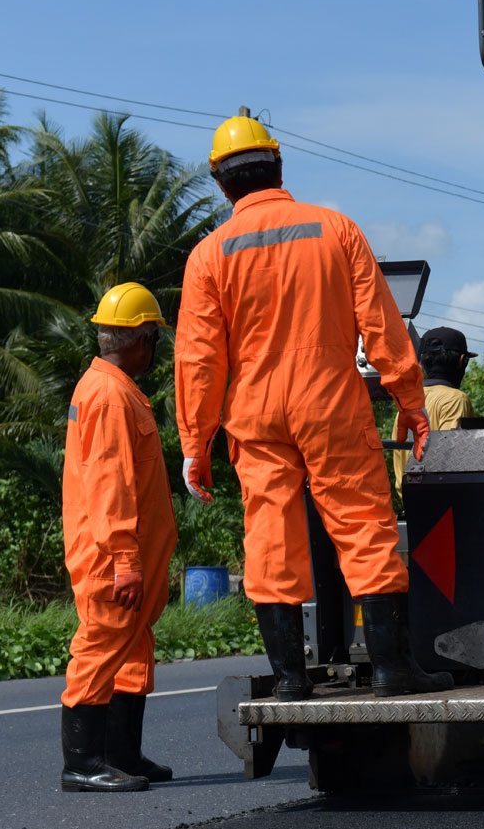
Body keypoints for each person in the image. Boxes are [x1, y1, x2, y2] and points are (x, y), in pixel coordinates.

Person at [175, 113, 452, 700]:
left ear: (222, 185)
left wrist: (195, 444)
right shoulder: (335, 229)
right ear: (278, 165)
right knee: (362, 526)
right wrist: (410, 400)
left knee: (270, 536)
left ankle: (290, 681)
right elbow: (381, 324)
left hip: (253, 409)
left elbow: (199, 362)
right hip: (328, 400)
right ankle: (392, 671)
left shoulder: (208, 256)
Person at [60, 283, 177, 791]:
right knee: (101, 645)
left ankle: (121, 752)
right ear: (141, 339)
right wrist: (126, 559)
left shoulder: (113, 386)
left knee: (131, 647)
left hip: (128, 552)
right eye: (153, 338)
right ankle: (83, 763)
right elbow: (111, 484)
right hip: (112, 553)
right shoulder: (109, 394)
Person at [392, 326, 474, 492]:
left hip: (409, 504)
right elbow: (451, 461)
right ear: (461, 360)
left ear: (422, 363)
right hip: (441, 505)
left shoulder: (406, 404)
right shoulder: (455, 400)